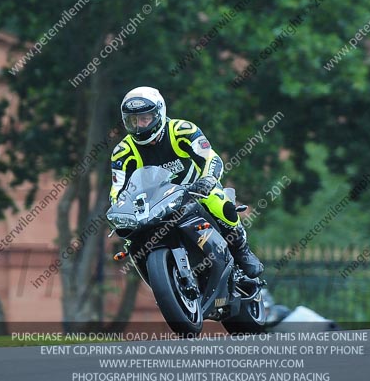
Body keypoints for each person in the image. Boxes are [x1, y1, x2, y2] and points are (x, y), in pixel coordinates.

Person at [109, 86, 264, 278]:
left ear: (158, 113)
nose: (139, 125)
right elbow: (117, 190)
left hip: (193, 192)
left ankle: (241, 249)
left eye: (144, 118)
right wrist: (119, 212)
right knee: (130, 239)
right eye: (133, 120)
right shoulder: (122, 151)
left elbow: (210, 158)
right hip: (152, 206)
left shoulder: (181, 130)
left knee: (217, 198)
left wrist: (208, 179)